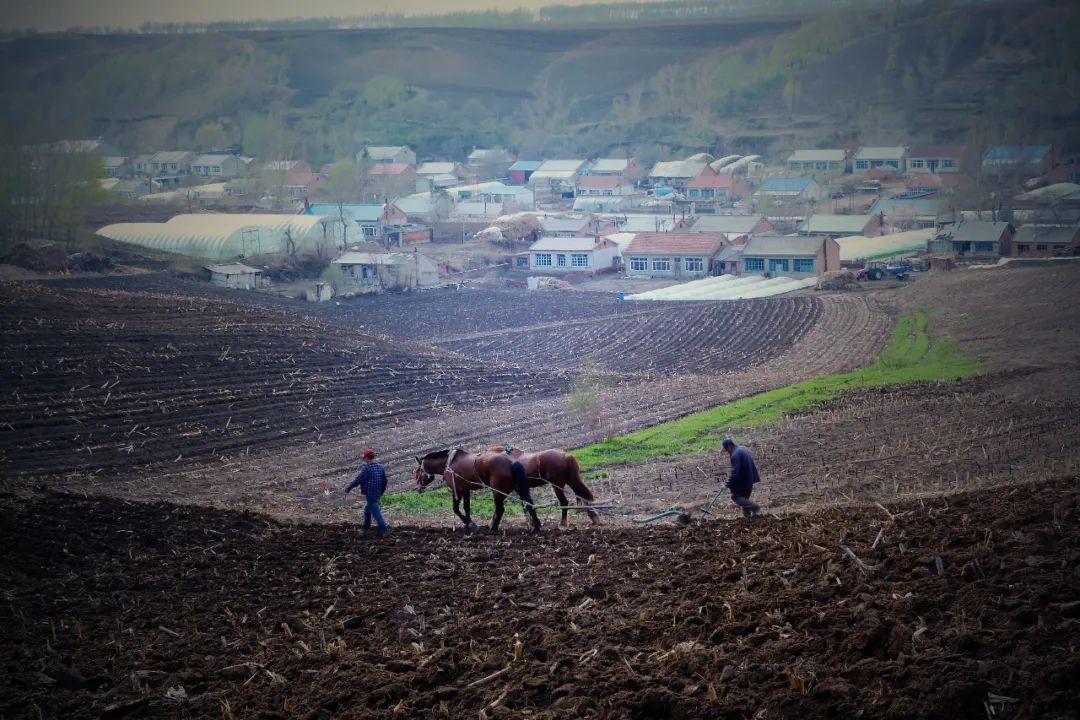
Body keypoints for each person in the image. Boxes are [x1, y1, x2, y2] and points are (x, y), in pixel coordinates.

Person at [344, 448, 390, 536]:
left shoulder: (367, 469)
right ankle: (365, 529)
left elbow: (358, 480)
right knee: (367, 511)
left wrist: (348, 488)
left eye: (364, 458)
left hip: (370, 495)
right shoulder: (380, 467)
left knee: (376, 513)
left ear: (367, 458)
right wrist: (381, 492)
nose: (364, 459)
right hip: (377, 494)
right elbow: (385, 481)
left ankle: (384, 530)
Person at [721, 437, 761, 518]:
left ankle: (754, 506)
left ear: (729, 446)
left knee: (735, 496)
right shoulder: (742, 448)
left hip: (744, 481)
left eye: (726, 449)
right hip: (750, 478)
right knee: (744, 499)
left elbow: (735, 473)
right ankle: (748, 518)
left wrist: (727, 484)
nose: (726, 451)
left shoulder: (735, 455)